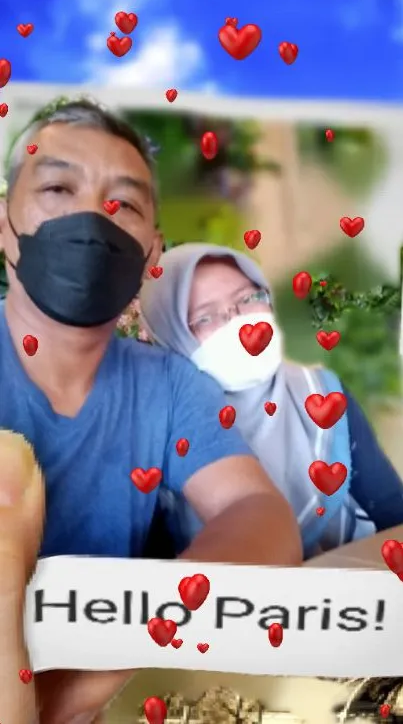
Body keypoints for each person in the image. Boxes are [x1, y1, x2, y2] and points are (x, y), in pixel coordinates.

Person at [0, 97, 302, 566]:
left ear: (152, 254)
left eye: (124, 204)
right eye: (58, 187)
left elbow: (254, 509)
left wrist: (163, 608)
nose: (93, 218)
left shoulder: (169, 386)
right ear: (3, 225)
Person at [139, 242, 403, 559]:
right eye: (206, 317)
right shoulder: (159, 431)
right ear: (172, 336)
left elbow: (391, 511)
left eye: (248, 299)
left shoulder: (320, 392)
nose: (239, 322)